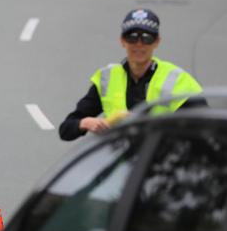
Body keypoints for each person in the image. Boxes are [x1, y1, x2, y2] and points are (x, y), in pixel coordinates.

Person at [59, 8, 203, 141]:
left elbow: (206, 126)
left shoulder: (177, 80)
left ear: (157, 42)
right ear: (122, 41)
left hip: (162, 162)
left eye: (146, 38)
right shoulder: (108, 79)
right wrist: (85, 123)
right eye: (132, 37)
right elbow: (66, 130)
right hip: (122, 162)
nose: (139, 44)